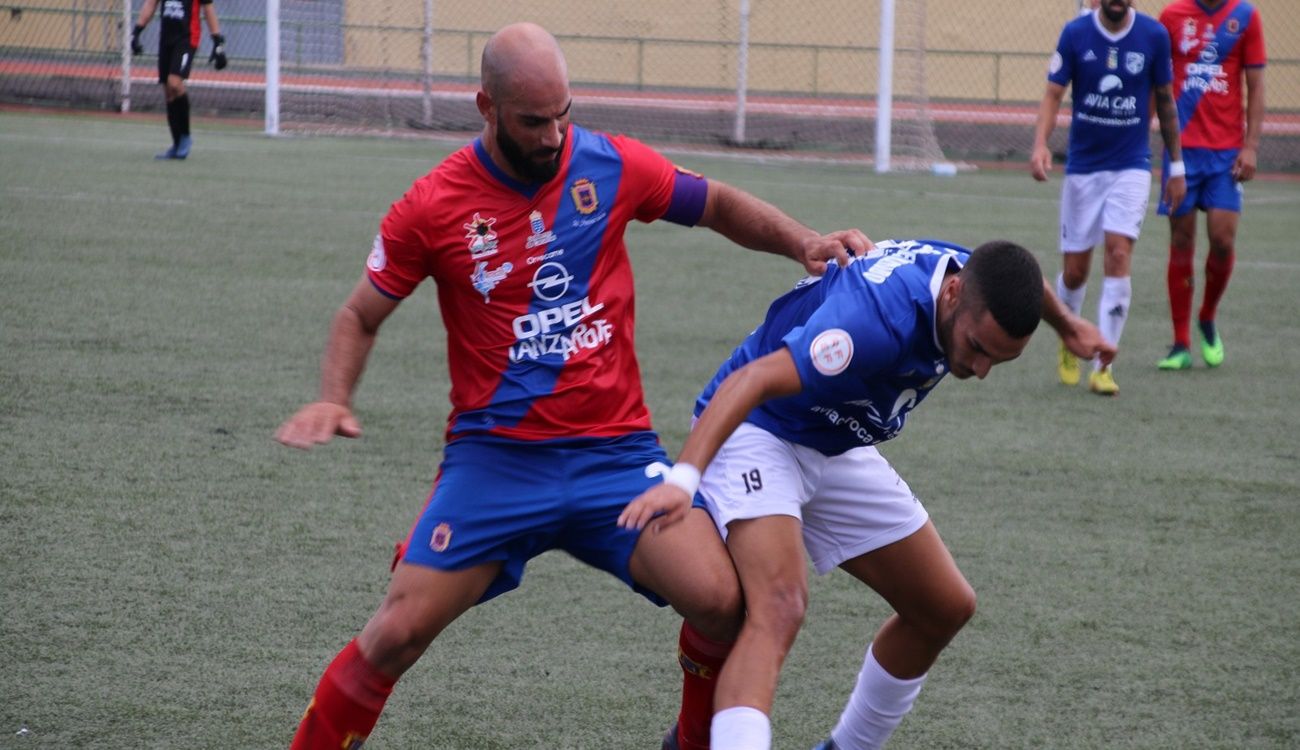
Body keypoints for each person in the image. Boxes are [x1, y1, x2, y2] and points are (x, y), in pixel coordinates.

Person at [274, 22, 871, 750]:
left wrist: (803, 241)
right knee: (394, 634)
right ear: (485, 107)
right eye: (534, 120)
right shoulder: (432, 206)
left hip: (614, 459)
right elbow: (360, 315)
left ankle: (686, 743)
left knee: (723, 602)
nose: (555, 135)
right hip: (495, 464)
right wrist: (336, 396)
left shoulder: (609, 165)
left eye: (564, 114)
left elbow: (713, 203)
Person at [619, 239, 1115, 749]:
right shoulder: (872, 324)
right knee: (780, 605)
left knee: (944, 607)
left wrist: (1068, 324)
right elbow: (750, 381)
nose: (981, 370)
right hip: (760, 429)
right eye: (978, 348)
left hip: (836, 437)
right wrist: (684, 479)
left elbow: (1021, 279)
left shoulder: (966, 276)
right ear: (951, 293)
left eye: (1000, 360)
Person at [1030, 0, 1184, 396]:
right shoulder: (1075, 34)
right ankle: (1069, 336)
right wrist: (1040, 145)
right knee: (1076, 271)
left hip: (1131, 165)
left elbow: (1165, 101)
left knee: (1118, 253)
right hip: (1083, 169)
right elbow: (1052, 94)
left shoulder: (1153, 36)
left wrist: (1177, 167)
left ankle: (1104, 365)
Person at [1155, 0, 1266, 371]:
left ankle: (1207, 315)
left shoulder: (1245, 17)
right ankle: (1180, 342)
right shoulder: (1171, 16)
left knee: (1222, 240)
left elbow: (1256, 83)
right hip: (1182, 151)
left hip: (1226, 155)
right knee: (1181, 240)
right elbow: (1156, 81)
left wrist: (1250, 146)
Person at [130, 0, 227, 160]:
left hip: (187, 39)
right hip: (166, 40)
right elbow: (151, 4)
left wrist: (217, 42)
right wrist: (137, 31)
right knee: (168, 92)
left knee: (174, 82)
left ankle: (186, 137)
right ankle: (176, 144)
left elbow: (208, 9)